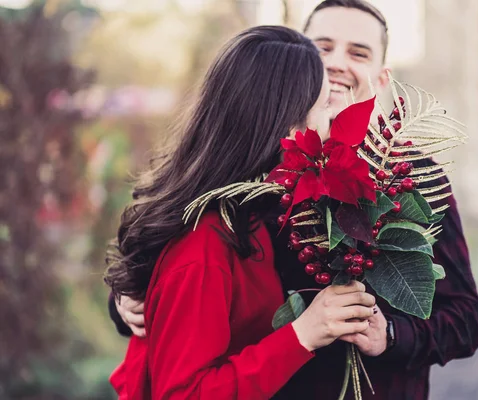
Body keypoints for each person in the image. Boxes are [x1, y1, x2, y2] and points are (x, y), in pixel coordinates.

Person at [109, 1, 478, 398]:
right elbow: (187, 276)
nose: (336, 64)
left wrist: (391, 335)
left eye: (358, 53)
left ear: (381, 78)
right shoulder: (247, 182)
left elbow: (466, 319)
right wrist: (128, 299)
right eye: (322, 47)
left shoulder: (410, 179)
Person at [105, 25, 378, 399]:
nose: (328, 122)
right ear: (283, 124)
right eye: (321, 107)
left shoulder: (253, 211)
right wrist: (302, 335)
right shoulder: (205, 242)